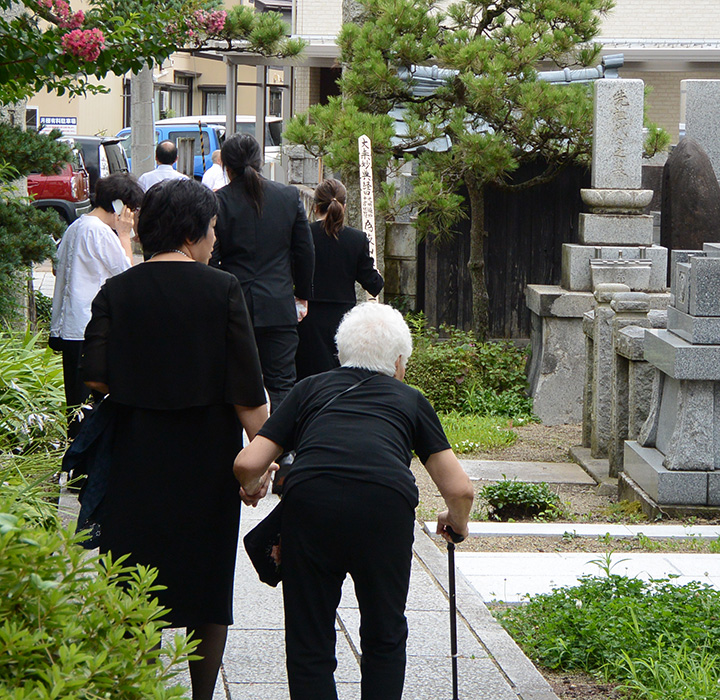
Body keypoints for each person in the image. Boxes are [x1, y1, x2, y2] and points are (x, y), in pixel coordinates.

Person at [80, 178, 269, 700]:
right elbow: (248, 394)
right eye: (211, 231)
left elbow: (94, 374)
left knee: (131, 572)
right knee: (205, 583)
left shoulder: (117, 290)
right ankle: (202, 694)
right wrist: (263, 464)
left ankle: (135, 685)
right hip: (206, 457)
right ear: (191, 233)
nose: (214, 243)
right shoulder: (223, 290)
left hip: (135, 452)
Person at [234, 302, 474, 700]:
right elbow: (460, 490)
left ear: (341, 353)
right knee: (384, 634)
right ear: (399, 362)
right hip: (384, 508)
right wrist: (457, 522)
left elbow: (247, 462)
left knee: (309, 639)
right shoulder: (410, 400)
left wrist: (254, 484)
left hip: (312, 503)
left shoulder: (309, 388)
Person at [210, 133, 314, 413]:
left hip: (234, 305)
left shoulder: (218, 201)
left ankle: (237, 450)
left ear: (226, 167)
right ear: (260, 162)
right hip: (278, 304)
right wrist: (302, 296)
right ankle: (285, 451)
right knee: (282, 384)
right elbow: (304, 252)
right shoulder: (289, 196)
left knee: (232, 382)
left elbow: (212, 256)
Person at [49, 172, 143, 439]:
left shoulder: (77, 226)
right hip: (90, 329)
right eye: (131, 209)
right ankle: (84, 469)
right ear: (118, 206)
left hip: (71, 328)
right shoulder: (101, 232)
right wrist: (124, 235)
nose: (132, 216)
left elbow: (57, 269)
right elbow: (127, 277)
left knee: (75, 405)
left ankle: (75, 467)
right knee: (88, 407)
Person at [295, 178, 384, 380]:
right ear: (343, 207)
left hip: (307, 319)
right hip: (343, 322)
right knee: (341, 379)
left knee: (308, 380)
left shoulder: (303, 235)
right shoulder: (357, 239)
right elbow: (373, 284)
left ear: (315, 206)